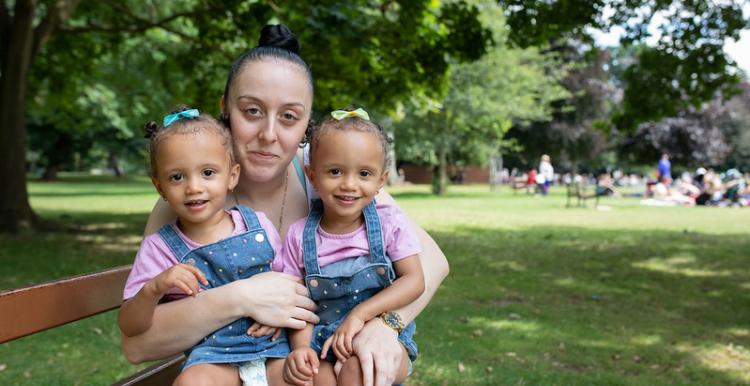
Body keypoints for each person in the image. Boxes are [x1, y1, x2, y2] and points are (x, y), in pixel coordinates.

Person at [120, 24, 449, 386]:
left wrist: (386, 325)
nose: (269, 134)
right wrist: (243, 298)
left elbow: (433, 263)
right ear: (225, 108)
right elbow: (138, 345)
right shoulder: (191, 199)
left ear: (308, 123)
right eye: (252, 111)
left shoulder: (331, 175)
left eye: (289, 117)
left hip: (320, 360)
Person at [118, 107, 290, 385]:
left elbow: (288, 280)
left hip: (274, 346)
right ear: (159, 186)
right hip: (213, 357)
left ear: (232, 176)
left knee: (309, 374)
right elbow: (130, 325)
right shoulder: (160, 248)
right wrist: (154, 289)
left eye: (208, 172)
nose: (193, 187)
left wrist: (281, 315)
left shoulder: (257, 225)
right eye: (177, 177)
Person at [276, 109, 424, 386]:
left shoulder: (388, 222)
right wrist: (300, 349)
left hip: (379, 334)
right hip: (321, 341)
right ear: (312, 175)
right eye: (335, 171)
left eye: (364, 173)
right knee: (313, 379)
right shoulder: (299, 236)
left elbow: (414, 280)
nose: (349, 184)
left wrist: (360, 315)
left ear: (381, 180)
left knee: (359, 372)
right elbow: (299, 304)